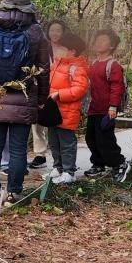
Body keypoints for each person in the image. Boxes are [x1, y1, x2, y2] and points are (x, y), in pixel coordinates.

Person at [0, 0, 50, 206]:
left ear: (4, 2)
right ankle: (13, 194)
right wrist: (41, 99)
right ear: (28, 6)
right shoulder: (36, 31)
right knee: (18, 149)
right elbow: (43, 68)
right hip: (24, 96)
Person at [85, 28, 130, 182]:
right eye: (97, 41)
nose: (99, 43)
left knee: (105, 139)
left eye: (103, 41)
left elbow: (117, 87)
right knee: (90, 137)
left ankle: (120, 163)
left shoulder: (113, 65)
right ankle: (98, 163)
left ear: (111, 46)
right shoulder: (94, 63)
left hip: (106, 110)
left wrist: (113, 107)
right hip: (93, 108)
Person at [46, 32, 89, 184]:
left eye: (60, 47)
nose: (56, 50)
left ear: (72, 51)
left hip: (68, 112)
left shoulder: (77, 68)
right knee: (53, 142)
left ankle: (69, 171)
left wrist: (60, 94)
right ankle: (57, 167)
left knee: (66, 144)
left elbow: (79, 89)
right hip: (53, 112)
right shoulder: (56, 64)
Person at [30, 19, 66, 169]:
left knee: (59, 123)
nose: (55, 33)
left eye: (58, 30)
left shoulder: (67, 49)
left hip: (59, 92)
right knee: (37, 122)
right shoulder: (42, 46)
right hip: (42, 88)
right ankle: (40, 154)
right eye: (52, 30)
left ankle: (64, 158)